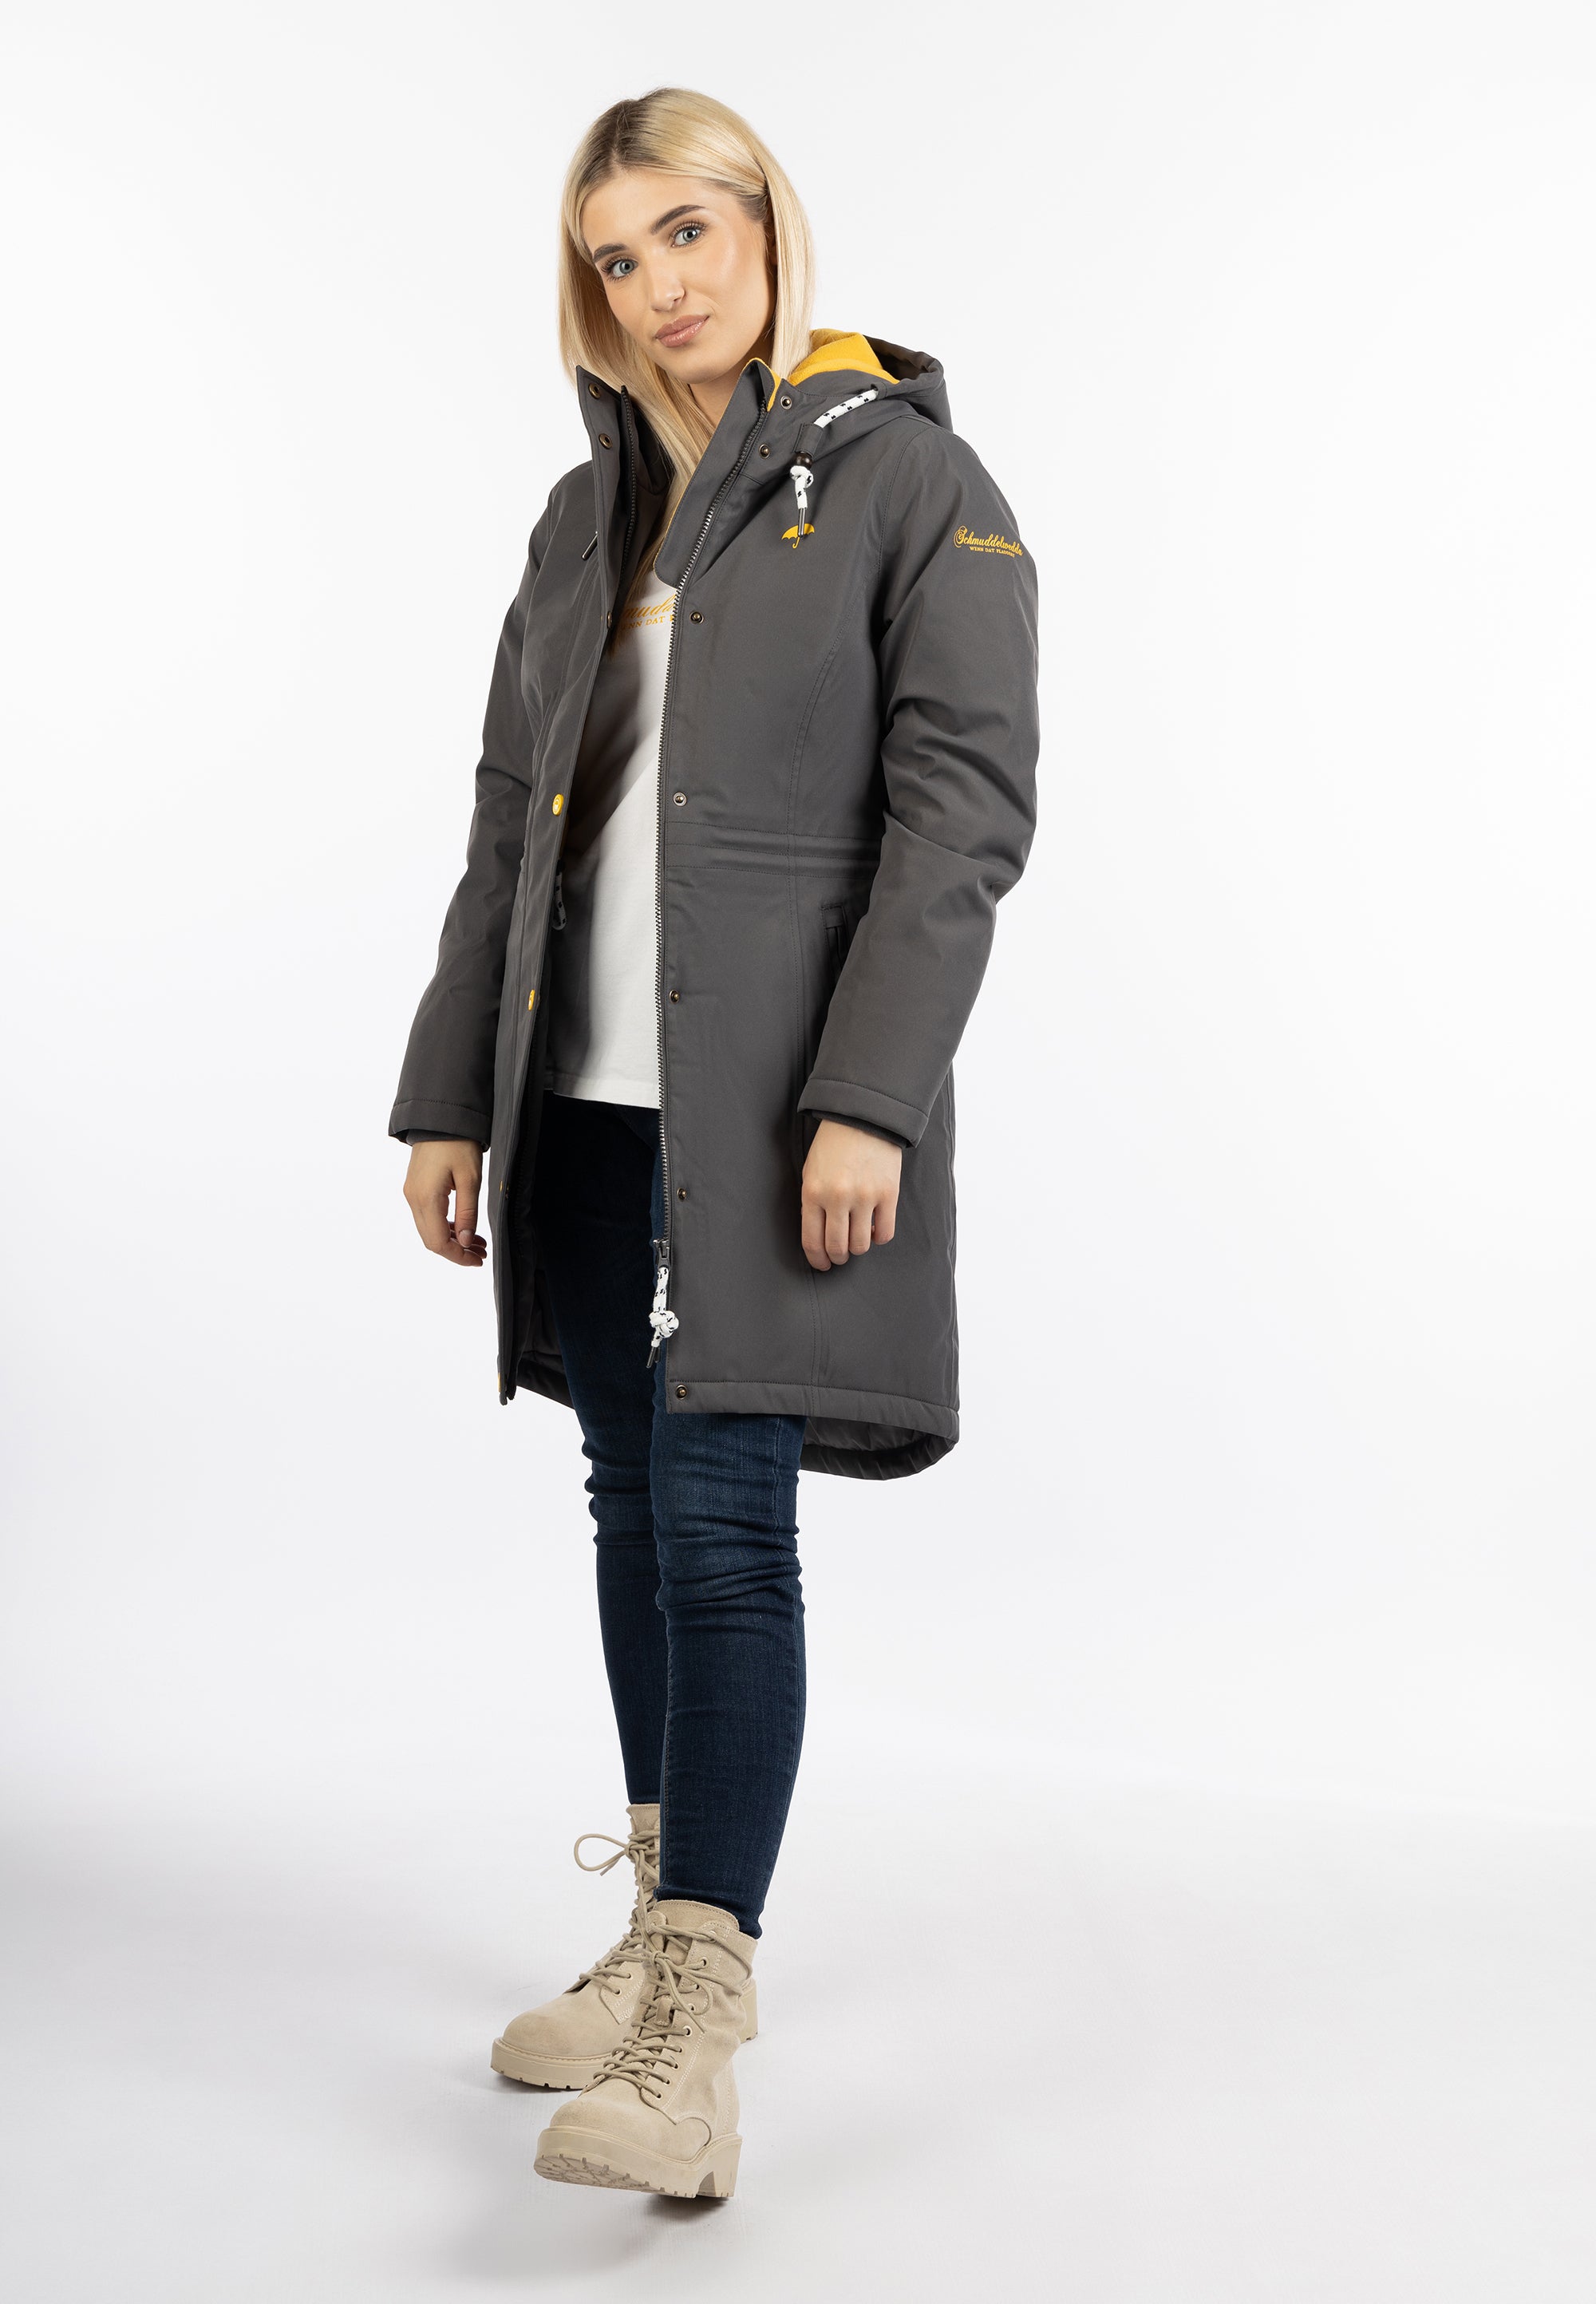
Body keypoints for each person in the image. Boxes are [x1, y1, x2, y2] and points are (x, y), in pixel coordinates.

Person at [391, 86, 1039, 2200]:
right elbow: (510, 826)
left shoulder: (909, 482)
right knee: (625, 1502)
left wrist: (869, 1096)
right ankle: (663, 1917)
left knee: (726, 1531)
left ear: (767, 222)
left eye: (689, 231)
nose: (662, 286)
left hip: (758, 1119)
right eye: (619, 257)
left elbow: (962, 819)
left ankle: (700, 2027)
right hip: (576, 1104)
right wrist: (448, 1091)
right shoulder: (585, 522)